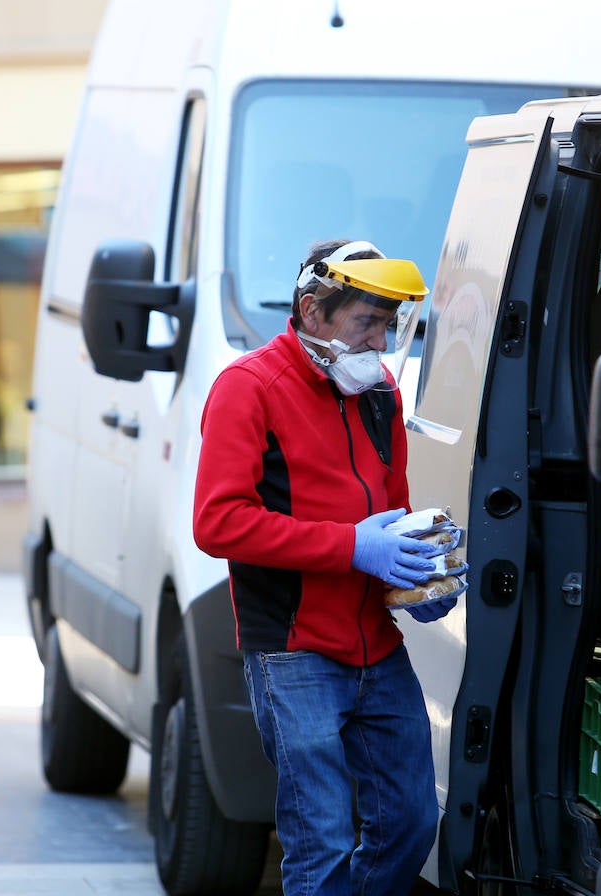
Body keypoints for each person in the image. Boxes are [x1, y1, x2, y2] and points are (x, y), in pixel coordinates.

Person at [193, 238, 455, 896]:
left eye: (388, 324)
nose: (381, 339)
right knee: (324, 840)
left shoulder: (379, 393)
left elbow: (392, 510)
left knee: (411, 825)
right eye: (367, 321)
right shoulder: (247, 388)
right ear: (312, 311)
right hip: (293, 654)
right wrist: (353, 547)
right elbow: (216, 522)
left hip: (376, 649)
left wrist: (421, 579)